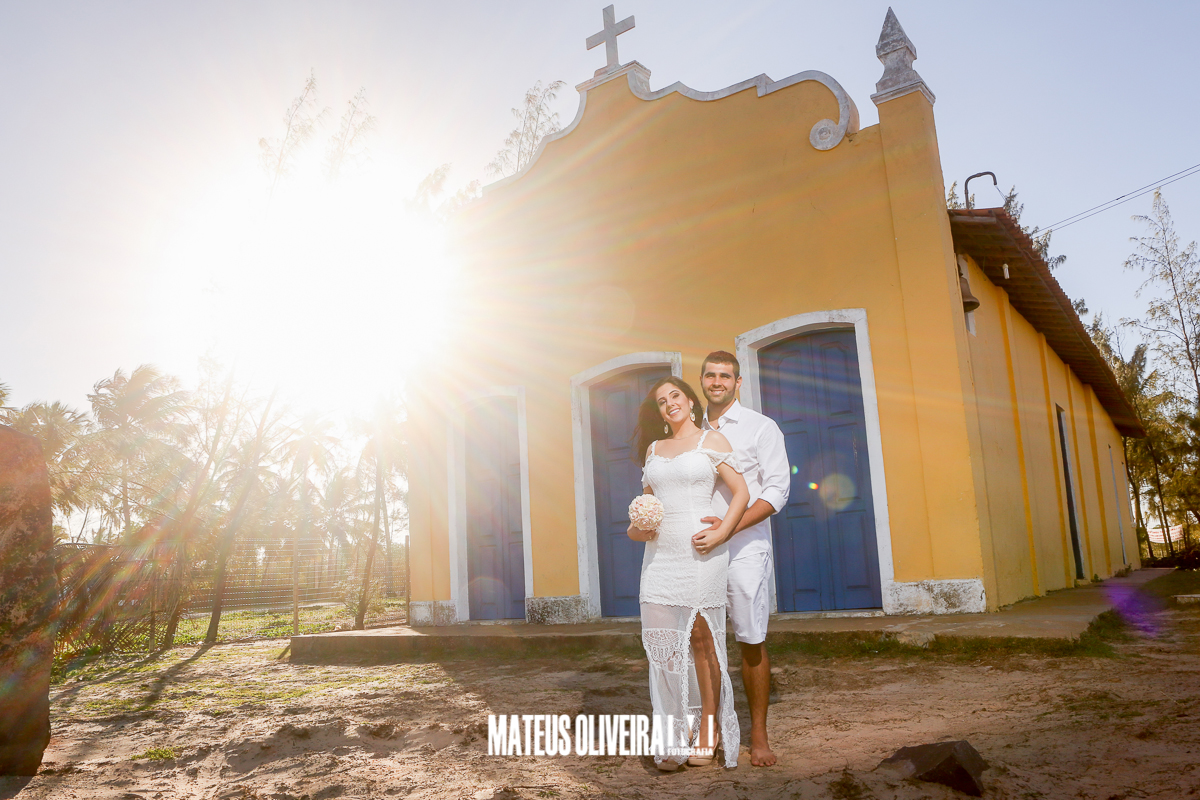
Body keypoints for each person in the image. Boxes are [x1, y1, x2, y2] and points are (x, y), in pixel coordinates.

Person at [628, 377, 749, 770]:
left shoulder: (711, 441)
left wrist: (723, 531)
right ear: (660, 412)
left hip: (701, 551)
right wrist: (638, 528)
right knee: (663, 646)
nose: (669, 404)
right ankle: (674, 735)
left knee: (701, 639)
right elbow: (647, 508)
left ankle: (709, 729)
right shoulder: (654, 449)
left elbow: (742, 492)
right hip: (660, 557)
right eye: (662, 401)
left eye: (675, 395)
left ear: (691, 401)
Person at [697, 351, 791, 767]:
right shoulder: (690, 429)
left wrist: (728, 528)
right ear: (702, 380)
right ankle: (711, 728)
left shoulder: (761, 427)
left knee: (750, 638)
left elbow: (777, 491)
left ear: (738, 382)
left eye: (725, 375)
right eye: (710, 375)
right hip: (698, 547)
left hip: (745, 547)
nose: (717, 382)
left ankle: (758, 733)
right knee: (702, 641)